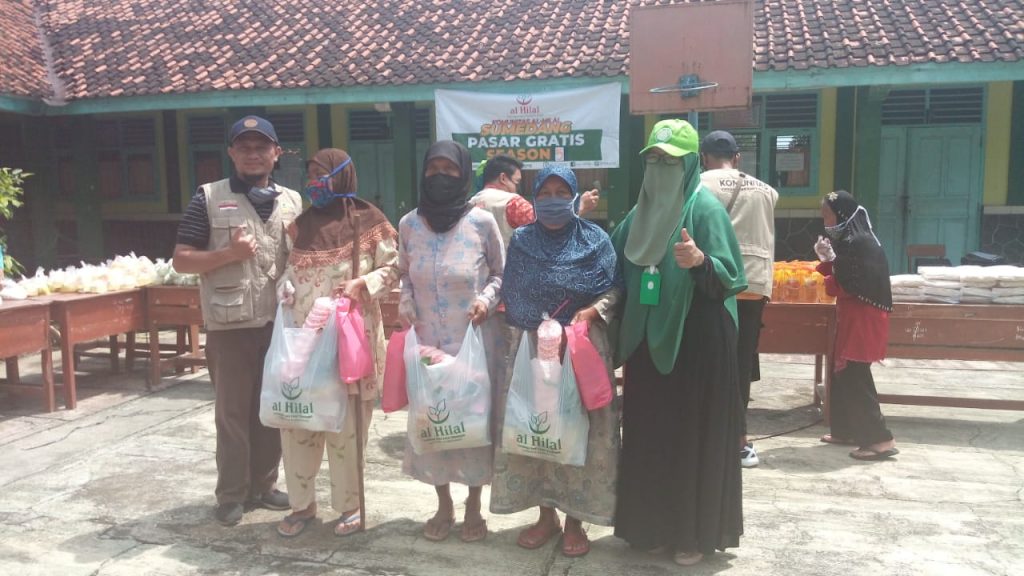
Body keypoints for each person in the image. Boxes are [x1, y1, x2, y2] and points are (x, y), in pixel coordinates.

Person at [611, 119, 746, 566]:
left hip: (699, 342)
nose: (658, 168)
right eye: (652, 159)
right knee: (650, 435)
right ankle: (650, 526)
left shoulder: (705, 211)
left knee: (692, 436)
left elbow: (731, 277)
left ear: (690, 165)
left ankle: (693, 534)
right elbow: (610, 266)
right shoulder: (638, 214)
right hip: (649, 344)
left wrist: (700, 260)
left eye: (669, 162)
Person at [172, 115, 302, 526]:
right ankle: (231, 494)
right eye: (243, 146)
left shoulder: (293, 201)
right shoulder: (208, 198)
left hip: (279, 325)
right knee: (232, 414)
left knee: (272, 409)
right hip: (230, 327)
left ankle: (263, 486)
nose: (252, 153)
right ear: (231, 153)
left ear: (276, 153)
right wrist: (227, 255)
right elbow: (181, 259)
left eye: (261, 146)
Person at [490, 165, 621, 558]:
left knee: (579, 429)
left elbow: (616, 287)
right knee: (539, 428)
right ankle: (546, 516)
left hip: (581, 349)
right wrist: (536, 324)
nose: (551, 201)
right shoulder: (523, 241)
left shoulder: (596, 240)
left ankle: (575, 520)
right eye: (543, 193)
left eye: (560, 192)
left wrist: (592, 312)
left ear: (575, 195)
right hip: (534, 349)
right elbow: (512, 290)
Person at [272, 148, 400, 537]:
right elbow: (283, 272)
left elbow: (396, 268)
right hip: (303, 349)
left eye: (322, 174)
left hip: (349, 345)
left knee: (346, 430)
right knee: (298, 425)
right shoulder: (298, 226)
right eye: (310, 174)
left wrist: (366, 284)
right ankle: (302, 505)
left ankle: (350, 506)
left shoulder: (370, 222)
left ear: (343, 176)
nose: (314, 182)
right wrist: (285, 288)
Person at [397, 140, 505, 543]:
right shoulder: (409, 224)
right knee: (434, 421)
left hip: (474, 340)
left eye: (450, 169)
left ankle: (474, 504)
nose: (440, 176)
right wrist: (406, 301)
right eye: (433, 168)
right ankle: (443, 504)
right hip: (427, 341)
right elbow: (404, 272)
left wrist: (485, 300)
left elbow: (500, 272)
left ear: (464, 173)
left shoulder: (481, 222)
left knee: (473, 422)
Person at [700, 130, 779, 469]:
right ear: (737, 158)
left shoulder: (700, 185)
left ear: (703, 157)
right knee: (742, 364)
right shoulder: (767, 191)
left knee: (709, 361)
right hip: (755, 284)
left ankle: (709, 436)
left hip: (717, 283)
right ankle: (740, 442)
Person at [815, 190, 898, 461]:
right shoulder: (854, 241)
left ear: (840, 214)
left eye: (827, 215)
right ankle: (845, 430)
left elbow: (841, 285)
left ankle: (880, 439)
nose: (825, 221)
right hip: (856, 315)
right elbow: (844, 275)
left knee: (855, 376)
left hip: (863, 318)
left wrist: (827, 267)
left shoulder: (856, 242)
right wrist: (830, 263)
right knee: (843, 374)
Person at [469, 154, 600, 248]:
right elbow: (549, 228)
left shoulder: (470, 204)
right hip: (507, 278)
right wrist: (581, 207)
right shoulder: (512, 202)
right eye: (517, 182)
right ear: (503, 178)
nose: (516, 189)